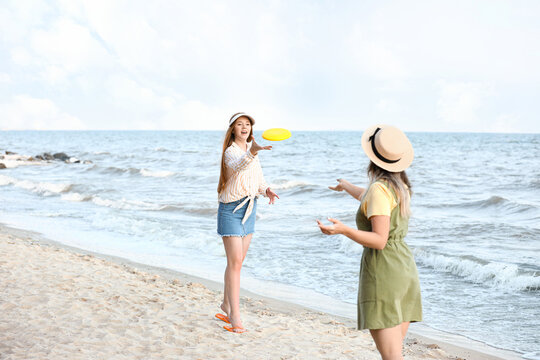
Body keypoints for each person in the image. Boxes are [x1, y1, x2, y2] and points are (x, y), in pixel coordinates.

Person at [317, 125, 422, 360]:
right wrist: (346, 186)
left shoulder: (378, 190)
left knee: (392, 356)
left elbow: (379, 240)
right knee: (395, 352)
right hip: (404, 270)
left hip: (383, 273)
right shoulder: (399, 186)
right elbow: (372, 200)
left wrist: (343, 230)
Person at [216, 112, 279, 333]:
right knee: (235, 264)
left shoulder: (252, 151)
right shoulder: (230, 152)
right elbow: (239, 167)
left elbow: (257, 178)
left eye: (247, 125)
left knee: (237, 262)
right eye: (240, 124)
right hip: (231, 210)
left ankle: (225, 304)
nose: (244, 127)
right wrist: (253, 151)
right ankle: (235, 315)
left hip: (250, 209)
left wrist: (267, 190)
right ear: (233, 129)